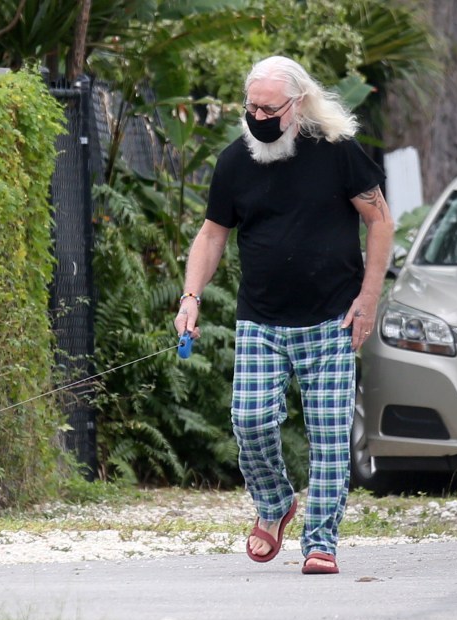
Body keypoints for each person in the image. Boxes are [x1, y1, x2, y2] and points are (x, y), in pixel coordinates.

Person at [174, 55, 394, 575]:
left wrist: (368, 299)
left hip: (332, 318)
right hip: (261, 320)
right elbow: (211, 235)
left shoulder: (337, 153)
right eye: (250, 105)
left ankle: (321, 542)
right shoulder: (234, 162)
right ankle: (274, 505)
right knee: (248, 420)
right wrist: (190, 297)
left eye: (268, 107)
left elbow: (380, 221)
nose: (257, 115)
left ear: (296, 105)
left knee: (329, 433)